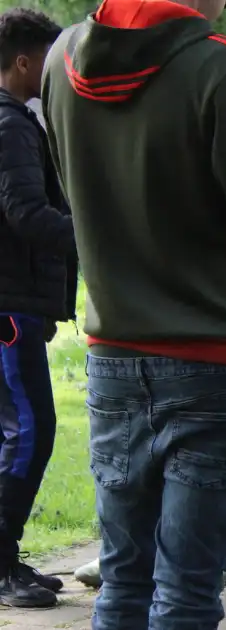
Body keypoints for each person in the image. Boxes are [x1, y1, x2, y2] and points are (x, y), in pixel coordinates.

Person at [40, 0, 226, 626]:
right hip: (215, 354)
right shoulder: (225, 65)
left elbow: (76, 190)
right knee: (189, 593)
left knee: (121, 583)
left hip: (113, 352)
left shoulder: (59, 60)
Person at [0, 7, 70, 609]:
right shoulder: (11, 125)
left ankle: (5, 557)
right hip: (10, 309)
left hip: (16, 306)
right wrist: (99, 236)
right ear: (24, 61)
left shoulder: (16, 121)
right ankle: (1, 568)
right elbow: (25, 212)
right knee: (29, 433)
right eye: (49, 58)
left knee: (16, 435)